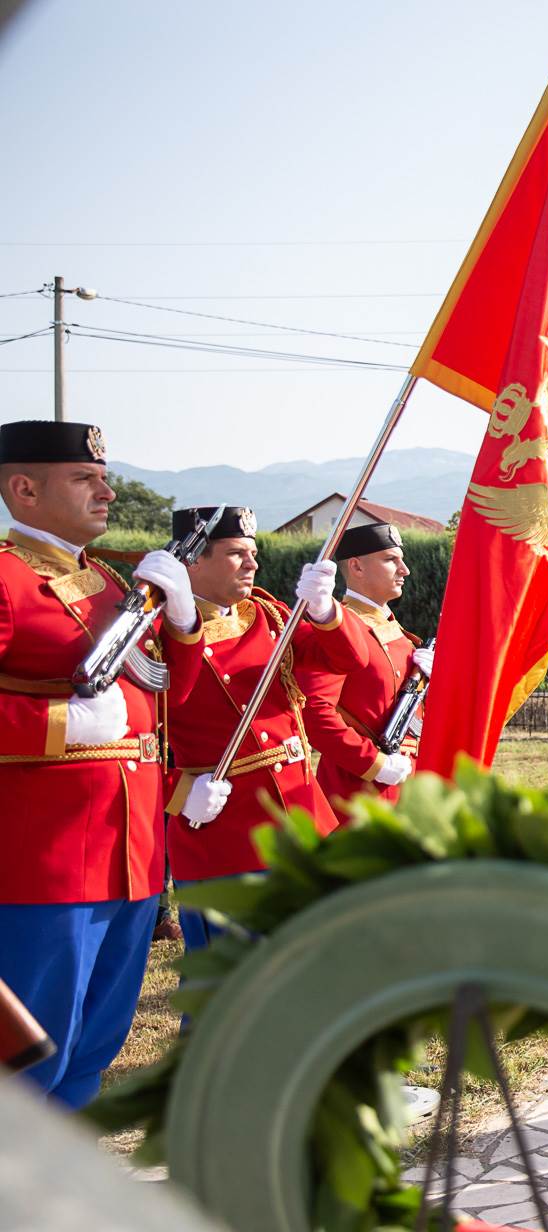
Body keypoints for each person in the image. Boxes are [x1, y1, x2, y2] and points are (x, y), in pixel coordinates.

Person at [0, 420, 166, 1106]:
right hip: (46, 862)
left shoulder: (107, 580)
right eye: (85, 479)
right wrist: (59, 724)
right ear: (24, 489)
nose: (107, 490)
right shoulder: (7, 579)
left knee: (91, 1046)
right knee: (29, 1057)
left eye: (104, 476)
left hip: (131, 857)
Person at [143, 506, 359, 947]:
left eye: (254, 552)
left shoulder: (268, 613)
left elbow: (348, 660)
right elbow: (134, 740)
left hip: (301, 817)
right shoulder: (159, 632)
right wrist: (181, 796)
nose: (253, 564)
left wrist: (325, 612)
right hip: (225, 833)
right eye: (236, 553)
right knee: (231, 989)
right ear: (193, 560)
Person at [299, 521, 429, 818]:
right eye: (390, 560)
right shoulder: (336, 629)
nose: (404, 570)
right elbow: (316, 714)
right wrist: (374, 764)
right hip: (358, 793)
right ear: (356, 567)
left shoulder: (399, 632)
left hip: (408, 787)